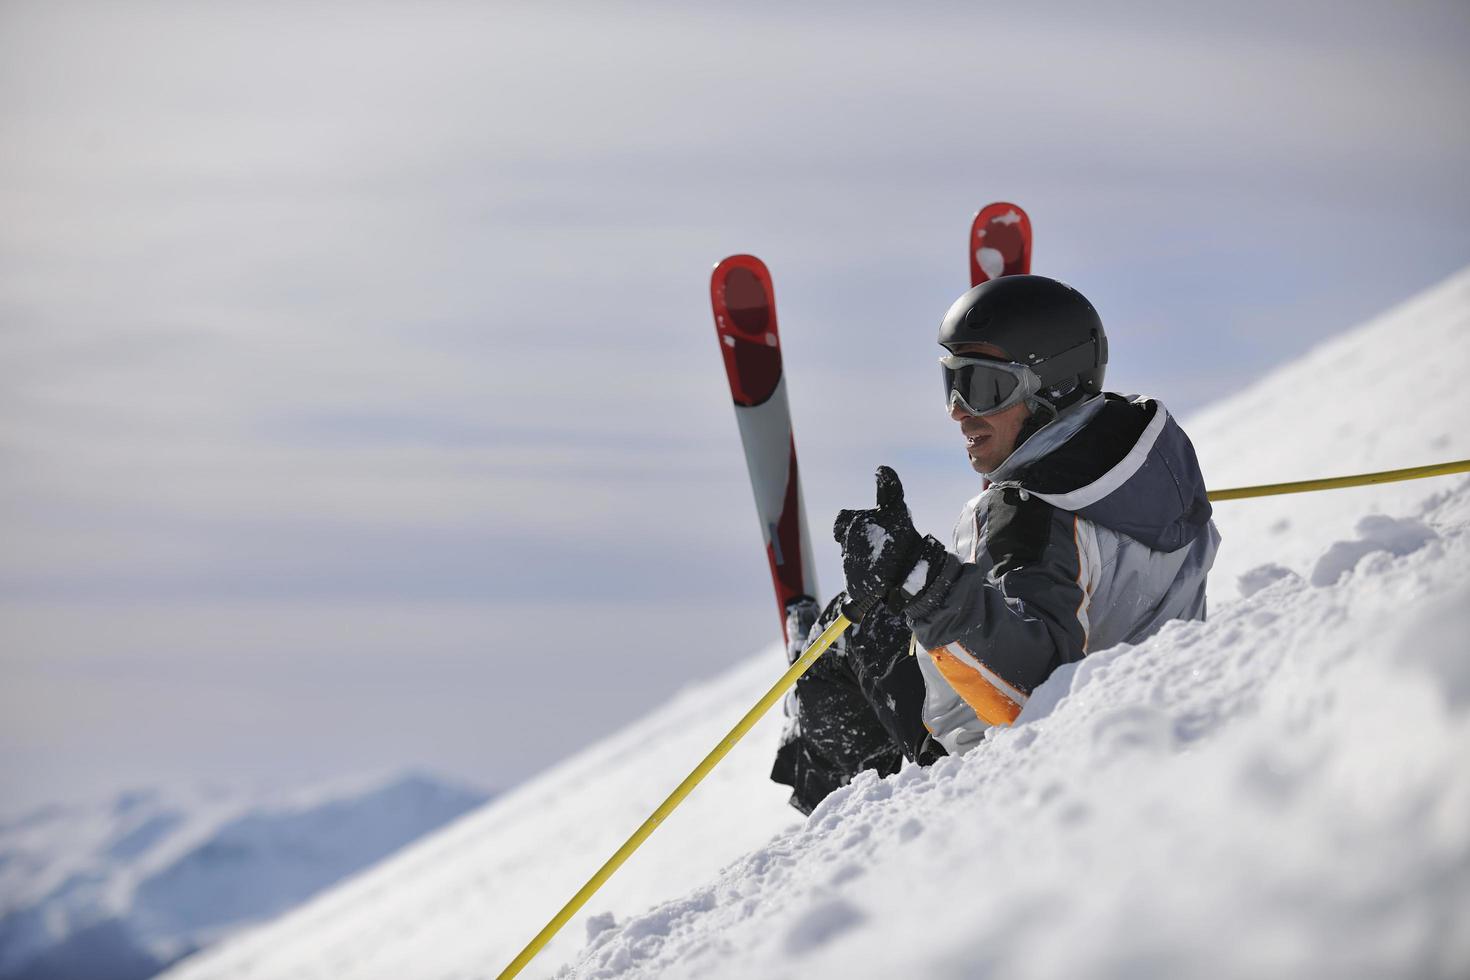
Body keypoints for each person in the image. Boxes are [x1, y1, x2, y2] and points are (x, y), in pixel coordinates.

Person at [771, 274, 1220, 814]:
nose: (960, 410)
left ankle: (847, 821)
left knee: (845, 633)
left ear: (1051, 388)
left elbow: (1030, 693)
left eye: (984, 387)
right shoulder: (1151, 463)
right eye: (951, 383)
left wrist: (922, 583)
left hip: (1010, 762)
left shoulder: (1031, 512)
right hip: (1145, 711)